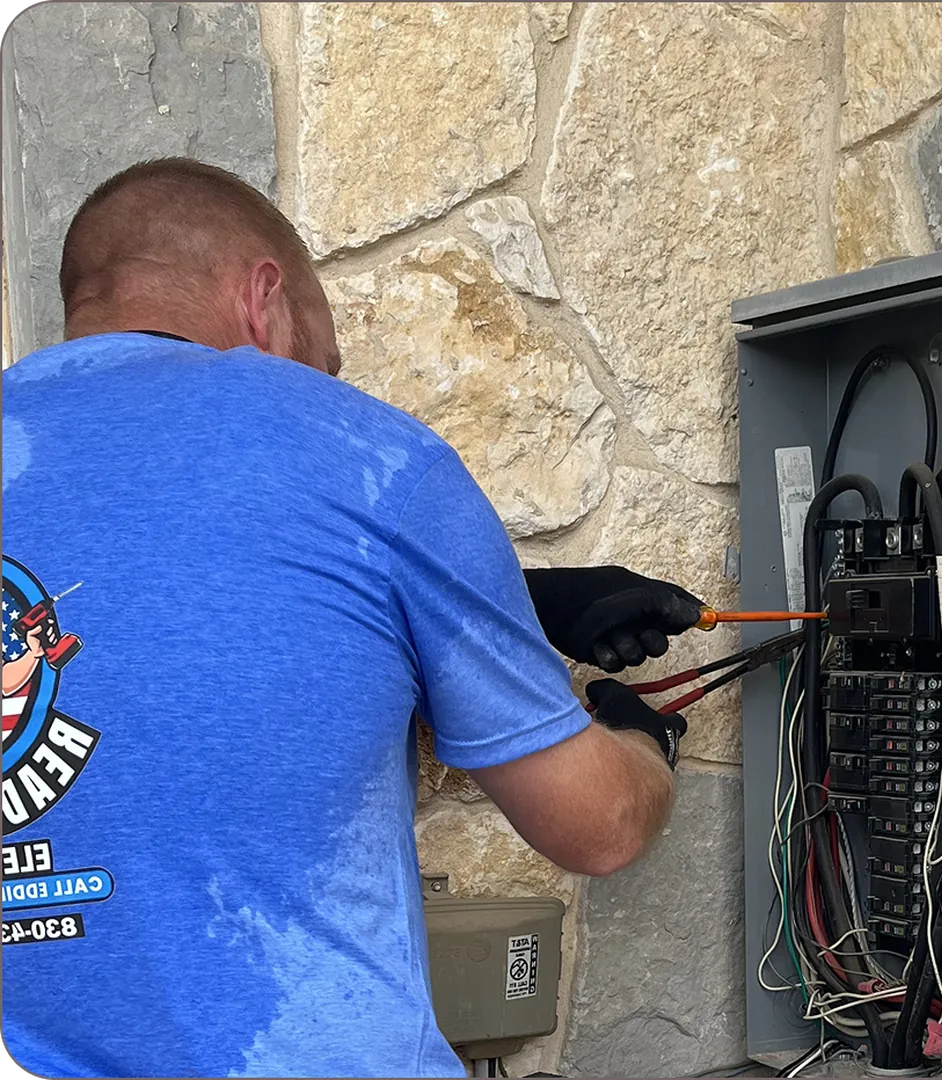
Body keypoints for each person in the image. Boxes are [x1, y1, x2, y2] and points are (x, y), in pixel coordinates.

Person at [1, 158, 706, 1078]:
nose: (321, 380)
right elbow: (598, 828)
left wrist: (518, 604)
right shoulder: (366, 457)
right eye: (322, 358)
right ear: (267, 302)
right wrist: (640, 740)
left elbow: (169, 618)